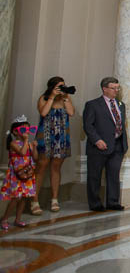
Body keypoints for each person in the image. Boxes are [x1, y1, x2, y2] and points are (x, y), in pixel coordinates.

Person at [83, 77, 128, 212]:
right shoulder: (93, 105)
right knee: (94, 176)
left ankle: (113, 201)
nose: (116, 91)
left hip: (117, 145)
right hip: (99, 146)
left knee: (114, 175)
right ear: (104, 89)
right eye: (113, 88)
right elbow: (88, 125)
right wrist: (97, 140)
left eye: (117, 88)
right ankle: (95, 203)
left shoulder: (121, 105)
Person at [31, 76, 74, 215]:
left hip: (61, 137)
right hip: (46, 136)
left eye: (63, 85)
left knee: (56, 167)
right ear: (52, 87)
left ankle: (54, 199)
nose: (61, 88)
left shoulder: (65, 99)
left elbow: (71, 112)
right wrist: (52, 97)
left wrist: (66, 96)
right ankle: (34, 200)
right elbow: (43, 112)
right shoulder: (44, 98)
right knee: (41, 167)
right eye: (59, 86)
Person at [1, 117, 37, 229]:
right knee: (16, 198)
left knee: (25, 197)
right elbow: (22, 153)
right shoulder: (13, 143)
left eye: (28, 129)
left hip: (27, 175)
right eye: (23, 130)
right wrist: (26, 141)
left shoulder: (29, 144)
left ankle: (18, 219)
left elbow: (35, 158)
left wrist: (34, 147)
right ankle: (5, 219)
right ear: (15, 132)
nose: (27, 132)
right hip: (17, 176)